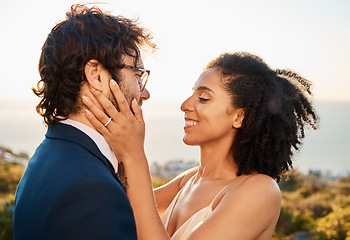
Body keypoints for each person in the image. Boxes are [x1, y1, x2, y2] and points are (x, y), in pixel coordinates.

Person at [83, 51, 319, 239]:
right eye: (192, 94)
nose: (185, 105)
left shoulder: (259, 190)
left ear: (240, 117)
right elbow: (118, 210)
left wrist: (134, 154)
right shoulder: (188, 180)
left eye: (203, 98)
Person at [13, 4, 155, 240]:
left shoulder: (50, 152)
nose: (145, 93)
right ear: (96, 75)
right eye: (137, 75)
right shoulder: (92, 189)